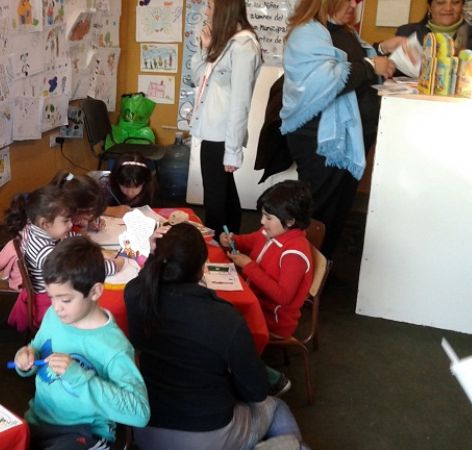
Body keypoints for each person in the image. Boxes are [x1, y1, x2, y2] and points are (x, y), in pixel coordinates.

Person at [125, 223, 304, 450]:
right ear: (202, 269)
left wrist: (153, 256)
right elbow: (256, 391)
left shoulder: (135, 295)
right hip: (208, 432)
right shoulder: (225, 317)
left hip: (146, 431)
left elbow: (143, 281)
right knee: (276, 407)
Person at [280, 0, 394, 258]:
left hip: (347, 138)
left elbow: (351, 61)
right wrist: (370, 66)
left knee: (337, 211)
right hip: (319, 140)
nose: (354, 5)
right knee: (317, 210)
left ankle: (322, 269)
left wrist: (380, 49)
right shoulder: (306, 33)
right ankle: (298, 268)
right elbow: (326, 82)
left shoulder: (341, 30)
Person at [13, 236, 150, 450]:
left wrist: (79, 377)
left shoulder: (114, 347)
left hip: (84, 433)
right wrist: (26, 358)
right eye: (52, 297)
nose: (56, 307)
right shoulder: (53, 316)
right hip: (38, 420)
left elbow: (139, 413)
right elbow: (36, 350)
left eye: (65, 300)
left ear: (95, 292)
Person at [4, 185, 123, 331]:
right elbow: (78, 272)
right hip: (51, 304)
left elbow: (68, 237)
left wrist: (88, 245)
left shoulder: (39, 229)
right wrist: (113, 266)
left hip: (55, 291)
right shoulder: (44, 252)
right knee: (104, 304)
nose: (71, 224)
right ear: (45, 223)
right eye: (66, 221)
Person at [189, 0, 261, 238]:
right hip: (211, 131)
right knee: (224, 193)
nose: (206, 12)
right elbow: (198, 77)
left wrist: (232, 151)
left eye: (210, 6)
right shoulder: (225, 42)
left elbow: (240, 102)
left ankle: (218, 247)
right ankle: (231, 243)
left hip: (222, 135)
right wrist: (205, 47)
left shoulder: (243, 46)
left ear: (224, 9)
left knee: (216, 200)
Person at [220, 181, 313, 353]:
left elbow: (283, 296)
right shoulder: (272, 231)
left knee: (215, 320)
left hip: (272, 320)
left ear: (290, 221)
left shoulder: (295, 253)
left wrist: (249, 266)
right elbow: (249, 241)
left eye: (268, 217)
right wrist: (232, 240)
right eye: (263, 215)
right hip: (253, 300)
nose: (262, 221)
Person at [395, 0, 472, 51]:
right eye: (440, 2)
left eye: (455, 2)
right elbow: (392, 70)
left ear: (462, 6)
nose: (448, 8)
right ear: (429, 7)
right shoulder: (406, 32)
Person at [100, 153, 157, 218]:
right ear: (116, 180)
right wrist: (110, 210)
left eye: (136, 187)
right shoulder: (106, 186)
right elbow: (91, 208)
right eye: (125, 186)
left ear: (145, 182)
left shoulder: (149, 187)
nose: (130, 193)